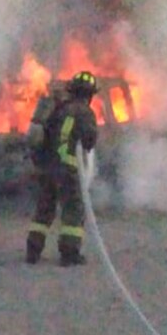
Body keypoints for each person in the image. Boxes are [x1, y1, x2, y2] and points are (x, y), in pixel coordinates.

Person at [26, 70, 98, 267]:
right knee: (73, 210)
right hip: (67, 168)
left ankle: (32, 251)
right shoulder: (84, 111)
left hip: (47, 167)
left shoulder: (58, 108)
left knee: (44, 209)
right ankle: (69, 253)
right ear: (89, 94)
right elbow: (89, 141)